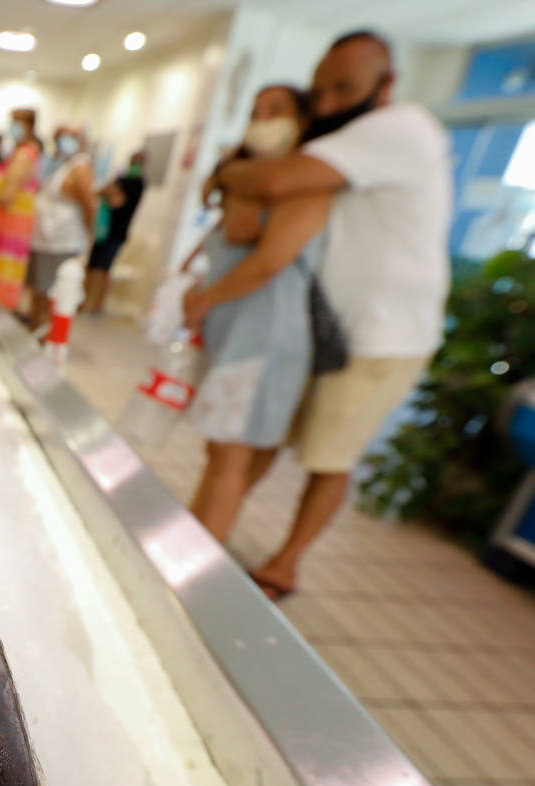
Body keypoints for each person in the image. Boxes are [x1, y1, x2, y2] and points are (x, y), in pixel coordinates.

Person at [211, 30, 452, 598]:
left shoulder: (400, 129)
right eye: (319, 91)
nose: (328, 103)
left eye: (344, 88)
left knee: (328, 455)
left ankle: (284, 565)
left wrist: (227, 175)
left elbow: (271, 181)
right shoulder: (337, 145)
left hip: (379, 334)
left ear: (386, 84)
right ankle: (214, 523)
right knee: (266, 436)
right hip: (322, 326)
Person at [182, 85, 329, 543]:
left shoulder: (306, 188)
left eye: (277, 111)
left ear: (303, 121)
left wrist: (206, 298)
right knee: (218, 452)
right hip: (234, 334)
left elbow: (267, 260)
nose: (262, 120)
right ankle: (189, 545)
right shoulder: (243, 181)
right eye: (256, 110)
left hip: (263, 339)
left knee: (230, 459)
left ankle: (197, 565)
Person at [26, 126, 97, 332]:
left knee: (53, 293)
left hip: (62, 242)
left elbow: (89, 205)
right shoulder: (61, 164)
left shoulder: (81, 167)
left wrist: (88, 237)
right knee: (39, 289)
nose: (62, 141)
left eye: (68, 137)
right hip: (45, 239)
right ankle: (36, 327)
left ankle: (47, 335)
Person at [0, 108, 41, 312]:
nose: (12, 127)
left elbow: (7, 197)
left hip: (7, 231)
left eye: (16, 123)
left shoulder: (23, 155)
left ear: (29, 126)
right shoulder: (17, 153)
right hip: (1, 228)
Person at [83, 151, 146, 315]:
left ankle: (98, 306)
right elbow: (100, 192)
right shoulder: (121, 179)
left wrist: (111, 193)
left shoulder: (139, 184)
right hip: (103, 230)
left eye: (138, 161)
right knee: (90, 267)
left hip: (117, 233)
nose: (135, 163)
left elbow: (117, 202)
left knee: (105, 270)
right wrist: (111, 192)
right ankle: (82, 301)